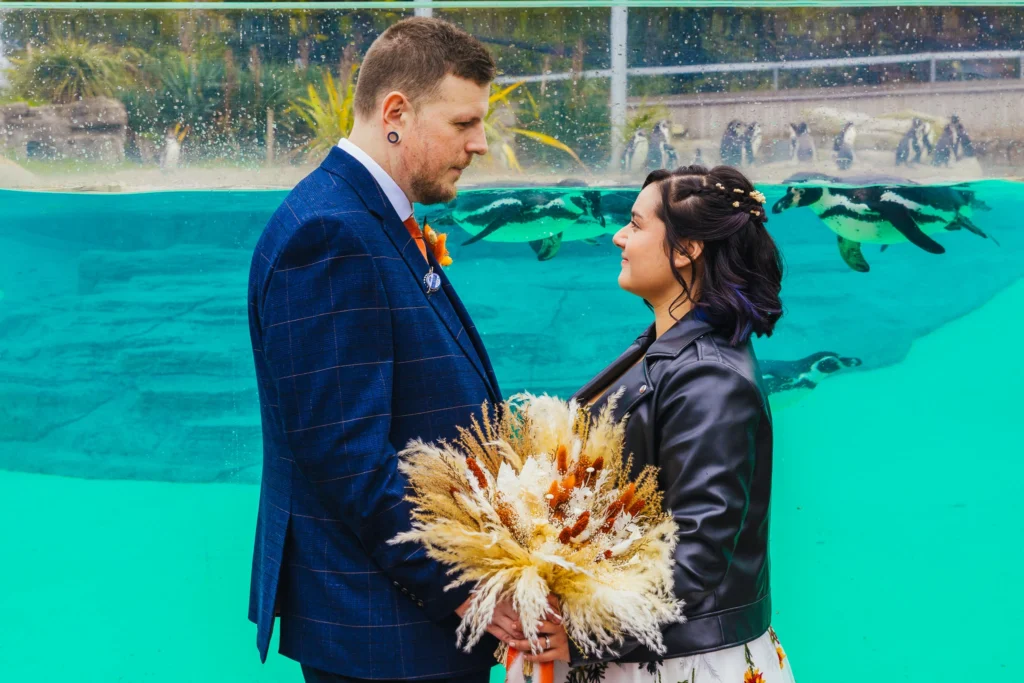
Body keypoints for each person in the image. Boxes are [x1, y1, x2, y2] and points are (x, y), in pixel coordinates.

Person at [247, 17, 525, 683]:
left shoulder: (364, 215)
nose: (480, 144)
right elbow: (350, 459)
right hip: (383, 630)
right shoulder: (329, 233)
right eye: (463, 123)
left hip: (402, 626)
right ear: (395, 112)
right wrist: (465, 588)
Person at [507, 165, 796, 683]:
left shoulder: (709, 377)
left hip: (677, 666)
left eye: (637, 225)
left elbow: (698, 554)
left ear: (688, 250)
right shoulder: (668, 349)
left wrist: (578, 629)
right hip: (641, 652)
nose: (619, 235)